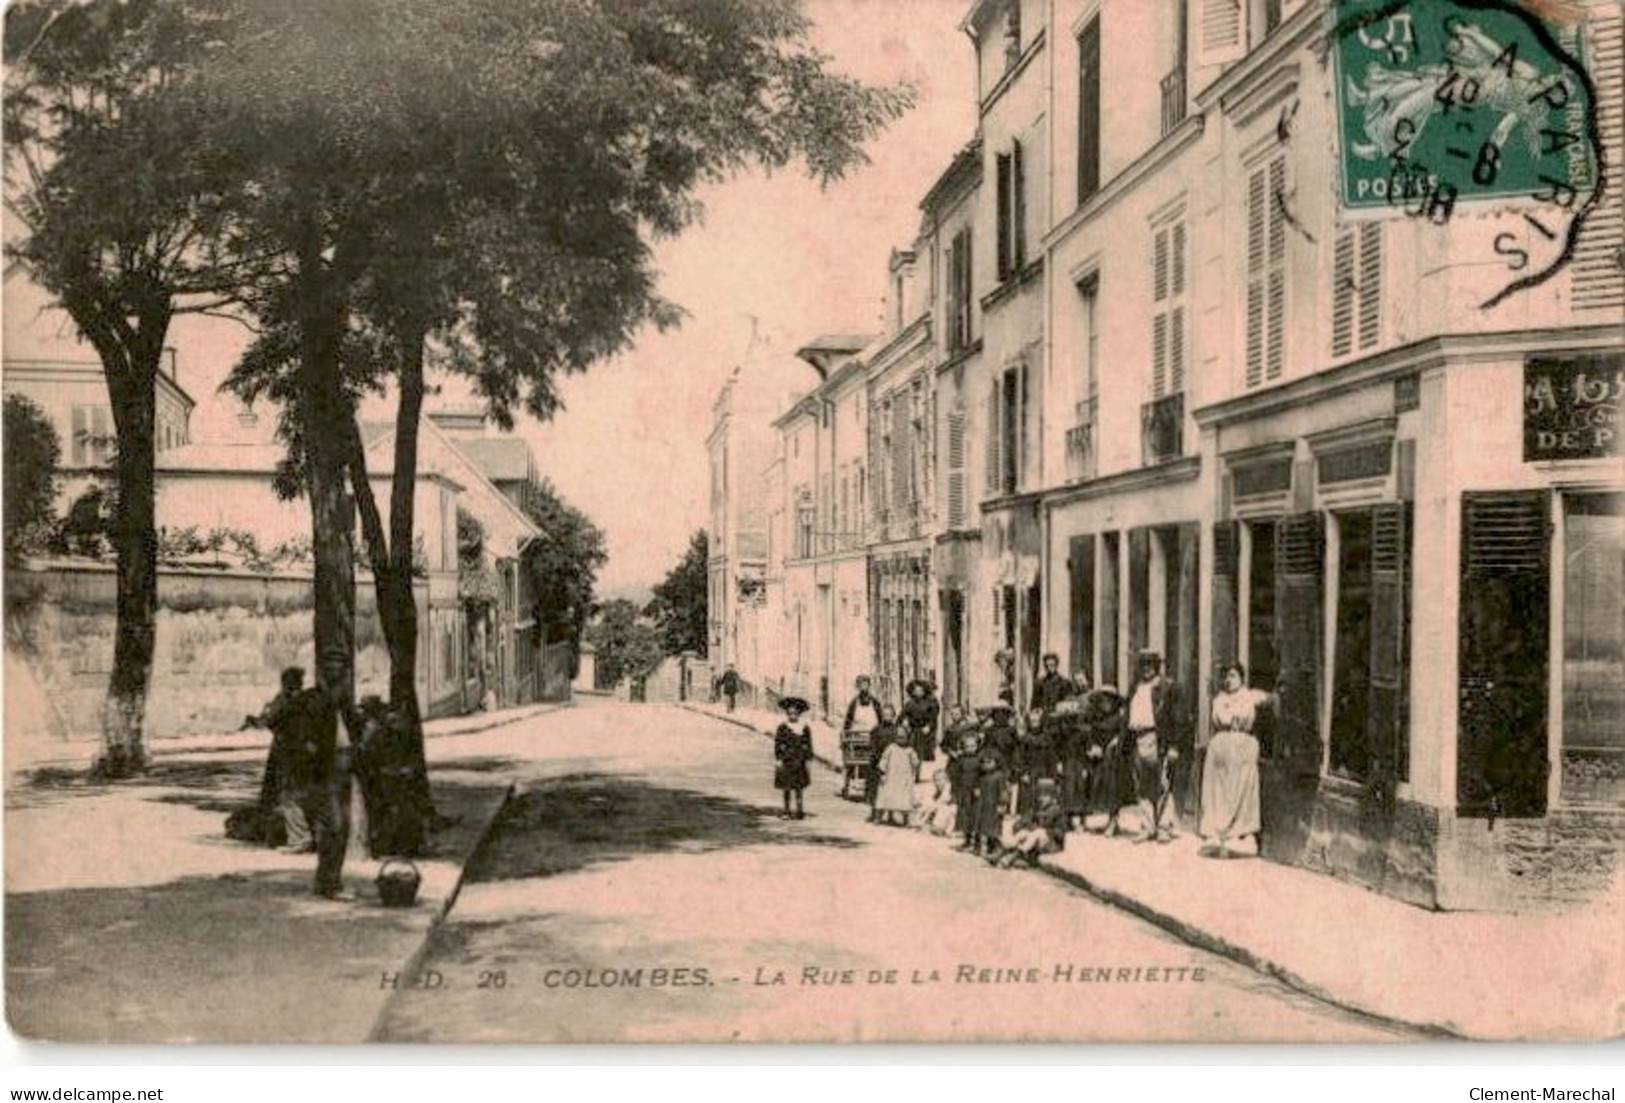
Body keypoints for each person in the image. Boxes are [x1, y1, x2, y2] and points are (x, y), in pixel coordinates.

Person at [1201, 664, 1276, 857]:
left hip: (1242, 746)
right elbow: (1218, 719)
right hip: (1221, 748)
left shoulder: (1249, 696)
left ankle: (1242, 834)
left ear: (1242, 678)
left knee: (1242, 789)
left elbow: (1272, 700)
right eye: (1226, 676)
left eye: (1233, 675)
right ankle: (1217, 833)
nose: (1229, 679)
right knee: (1218, 792)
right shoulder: (1219, 699)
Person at [246, 666, 313, 852]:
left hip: (286, 751)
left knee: (286, 793)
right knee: (299, 792)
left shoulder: (284, 699)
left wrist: (253, 721)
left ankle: (299, 838)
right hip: (305, 752)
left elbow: (268, 721)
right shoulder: (308, 699)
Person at [1125, 650, 1184, 844]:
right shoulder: (1135, 688)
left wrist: (1174, 745)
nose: (1146, 668)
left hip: (1157, 739)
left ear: (1157, 666)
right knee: (1142, 786)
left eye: (1150, 664)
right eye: (1143, 664)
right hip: (1138, 738)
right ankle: (1147, 825)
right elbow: (1127, 716)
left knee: (1162, 784)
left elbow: (1177, 718)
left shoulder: (1166, 687)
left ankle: (1164, 827)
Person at [1000, 778, 1067, 868]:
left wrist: (1046, 831)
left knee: (1038, 832)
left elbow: (1060, 832)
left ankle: (1014, 856)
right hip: (1034, 840)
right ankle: (1002, 852)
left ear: (1052, 797)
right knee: (1024, 833)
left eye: (1045, 796)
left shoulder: (1057, 811)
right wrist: (1021, 825)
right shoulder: (1036, 808)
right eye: (1040, 795)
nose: (1042, 798)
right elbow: (1025, 820)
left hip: (1051, 843)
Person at [840, 675, 883, 800]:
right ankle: (849, 786)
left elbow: (880, 720)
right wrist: (845, 735)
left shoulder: (875, 702)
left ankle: (871, 790)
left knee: (871, 764)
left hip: (871, 737)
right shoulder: (854, 703)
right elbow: (848, 720)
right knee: (852, 762)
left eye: (866, 684)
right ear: (858, 687)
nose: (863, 687)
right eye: (861, 684)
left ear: (869, 686)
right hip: (857, 737)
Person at [774, 696, 815, 821]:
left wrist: (808, 759)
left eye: (795, 713)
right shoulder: (783, 727)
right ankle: (786, 810)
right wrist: (779, 759)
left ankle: (799, 810)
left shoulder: (804, 728)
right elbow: (778, 744)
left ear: (799, 714)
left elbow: (808, 744)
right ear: (787, 714)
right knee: (786, 787)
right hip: (787, 760)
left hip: (800, 760)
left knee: (799, 787)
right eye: (790, 713)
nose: (793, 716)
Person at [874, 725, 919, 827]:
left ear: (908, 738)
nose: (900, 740)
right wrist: (882, 772)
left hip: (903, 779)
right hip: (891, 777)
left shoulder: (909, 750)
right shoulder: (891, 748)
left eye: (903, 738)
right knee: (884, 796)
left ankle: (906, 820)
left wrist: (914, 773)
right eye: (898, 737)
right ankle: (878, 817)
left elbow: (915, 763)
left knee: (904, 799)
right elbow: (884, 759)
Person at [971, 741, 1008, 860]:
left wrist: (1002, 804)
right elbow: (977, 787)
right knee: (981, 826)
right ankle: (980, 846)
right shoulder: (982, 777)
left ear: (996, 763)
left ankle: (995, 847)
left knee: (994, 828)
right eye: (984, 762)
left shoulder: (999, 776)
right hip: (983, 805)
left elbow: (1003, 792)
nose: (987, 765)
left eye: (990, 762)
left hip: (994, 805)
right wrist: (976, 790)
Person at [867, 704, 902, 821]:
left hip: (893, 763)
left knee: (892, 788)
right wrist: (878, 757)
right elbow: (872, 745)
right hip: (877, 762)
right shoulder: (876, 730)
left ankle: (891, 815)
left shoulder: (897, 730)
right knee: (875, 788)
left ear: (893, 716)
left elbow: (901, 745)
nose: (887, 717)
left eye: (889, 715)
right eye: (885, 714)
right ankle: (874, 813)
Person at [951, 728, 983, 850]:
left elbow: (982, 776)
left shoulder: (979, 760)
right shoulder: (961, 760)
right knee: (965, 816)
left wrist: (978, 787)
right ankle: (967, 840)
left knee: (976, 817)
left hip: (974, 793)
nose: (970, 748)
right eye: (967, 746)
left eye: (973, 746)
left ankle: (977, 843)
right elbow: (956, 776)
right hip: (963, 792)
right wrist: (955, 790)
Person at [901, 678, 941, 765]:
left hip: (925, 732)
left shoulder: (930, 703)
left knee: (925, 753)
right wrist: (904, 725)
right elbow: (902, 716)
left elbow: (933, 718)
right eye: (916, 690)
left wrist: (929, 726)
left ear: (924, 691)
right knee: (911, 753)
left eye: (920, 690)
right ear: (913, 692)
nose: (918, 692)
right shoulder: (909, 704)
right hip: (913, 731)